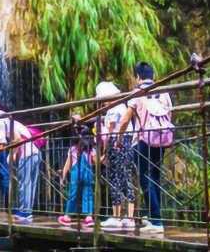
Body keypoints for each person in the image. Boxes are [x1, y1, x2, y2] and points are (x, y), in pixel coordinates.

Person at [115, 62, 173, 233]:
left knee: (144, 178)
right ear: (152, 75)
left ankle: (156, 222)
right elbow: (169, 114)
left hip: (143, 140)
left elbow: (125, 119)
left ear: (138, 77)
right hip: (161, 138)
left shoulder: (137, 93)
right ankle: (156, 218)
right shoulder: (164, 92)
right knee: (155, 177)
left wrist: (119, 138)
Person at [95, 82, 136, 231]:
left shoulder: (114, 108)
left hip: (117, 142)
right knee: (125, 176)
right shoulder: (121, 106)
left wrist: (104, 152)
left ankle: (118, 216)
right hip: (126, 141)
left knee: (115, 178)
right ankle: (127, 217)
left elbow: (110, 132)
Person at [58, 122, 96, 228]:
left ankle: (67, 216)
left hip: (75, 174)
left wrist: (63, 176)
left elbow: (68, 163)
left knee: (73, 194)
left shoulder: (73, 149)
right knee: (88, 194)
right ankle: (88, 217)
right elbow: (95, 162)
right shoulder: (91, 150)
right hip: (88, 174)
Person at [12, 121, 41, 224]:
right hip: (36, 153)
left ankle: (24, 212)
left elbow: (18, 139)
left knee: (24, 184)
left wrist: (13, 153)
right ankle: (28, 212)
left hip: (27, 155)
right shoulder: (20, 124)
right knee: (31, 185)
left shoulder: (10, 124)